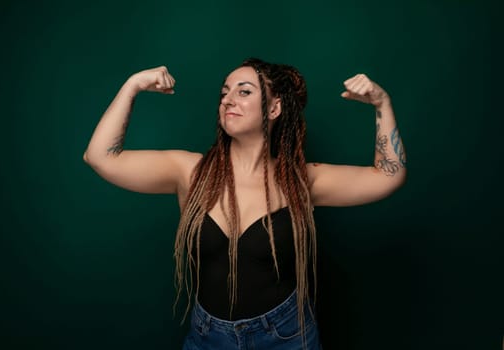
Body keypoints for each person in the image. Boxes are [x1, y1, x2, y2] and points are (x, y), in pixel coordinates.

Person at [83, 58, 406, 349]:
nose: (227, 100)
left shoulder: (301, 181)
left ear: (274, 109)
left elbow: (388, 176)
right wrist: (133, 86)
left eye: (244, 91)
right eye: (225, 92)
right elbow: (100, 157)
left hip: (286, 336)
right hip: (208, 336)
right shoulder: (189, 172)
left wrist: (382, 104)